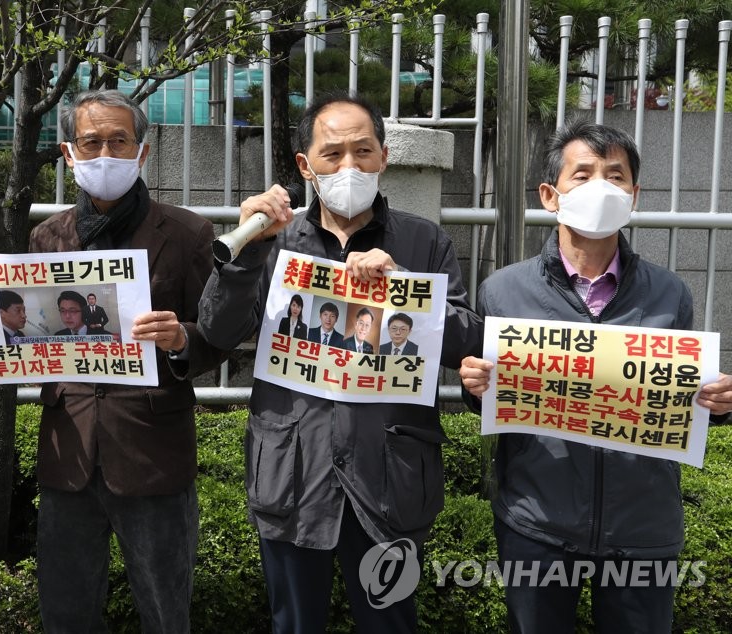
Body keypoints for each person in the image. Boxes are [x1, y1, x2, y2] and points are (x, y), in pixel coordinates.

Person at [197, 92, 482, 632]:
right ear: (306, 165)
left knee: (391, 621)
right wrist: (248, 252)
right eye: (332, 154)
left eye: (363, 151)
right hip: (293, 472)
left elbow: (467, 340)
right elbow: (219, 332)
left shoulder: (425, 241)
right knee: (294, 623)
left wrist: (404, 294)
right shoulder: (274, 242)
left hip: (390, 478)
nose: (349, 166)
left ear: (384, 157)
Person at [0, 89, 225, 633]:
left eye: (118, 141)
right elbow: (32, 335)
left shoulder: (186, 233)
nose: (104, 153)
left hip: (152, 450)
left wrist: (182, 339)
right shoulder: (46, 237)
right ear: (68, 154)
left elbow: (221, 335)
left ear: (142, 152)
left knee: (164, 605)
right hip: (69, 452)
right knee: (65, 606)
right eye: (91, 142)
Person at [458, 121, 732, 634]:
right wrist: (477, 387)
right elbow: (494, 398)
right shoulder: (502, 291)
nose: (600, 189)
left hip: (643, 523)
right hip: (537, 521)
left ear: (634, 196)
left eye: (615, 176)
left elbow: (678, 400)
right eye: (582, 175)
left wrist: (717, 402)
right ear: (550, 194)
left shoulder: (670, 293)